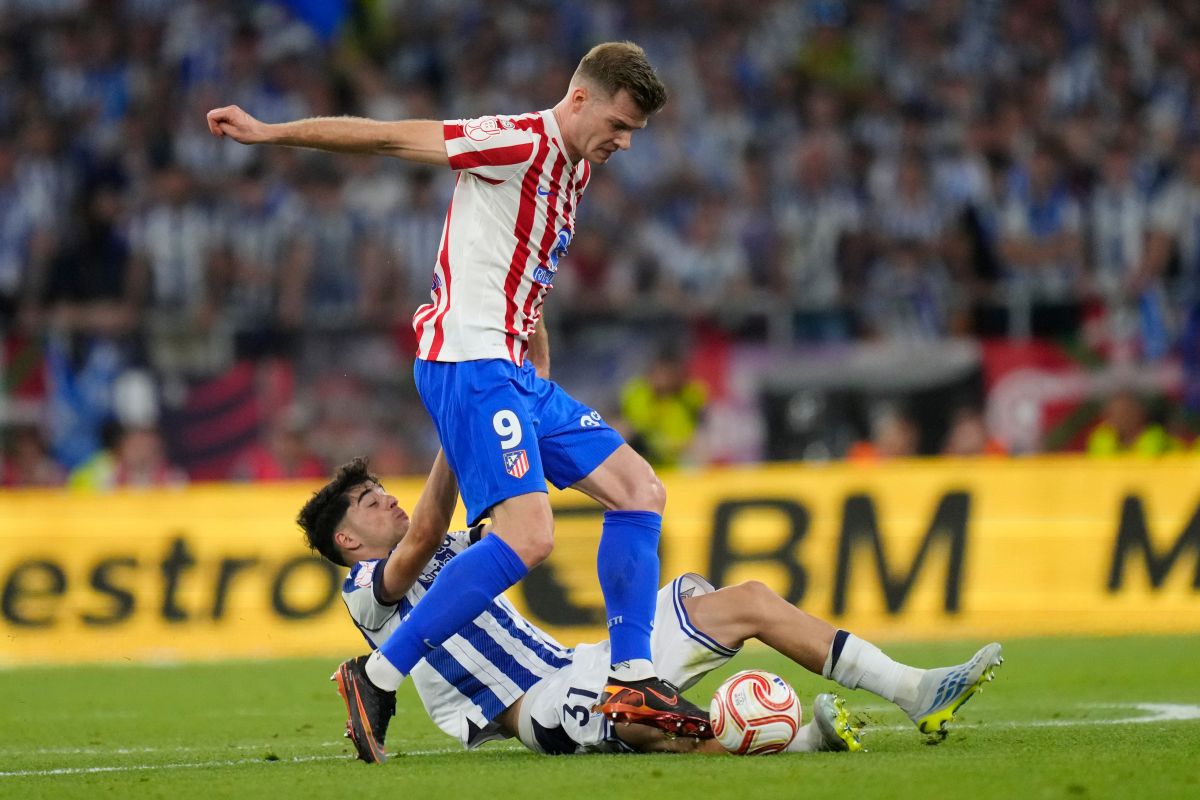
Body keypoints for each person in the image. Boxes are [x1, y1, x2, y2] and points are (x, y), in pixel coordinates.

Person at [208, 42, 711, 737]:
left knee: (640, 491)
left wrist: (535, 336)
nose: (623, 143)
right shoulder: (513, 140)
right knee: (529, 537)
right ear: (580, 100)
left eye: (633, 133)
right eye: (619, 126)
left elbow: (522, 259)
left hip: (509, 364)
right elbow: (388, 138)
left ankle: (632, 681)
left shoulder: (576, 168)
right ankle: (377, 676)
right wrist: (271, 132)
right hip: (467, 359)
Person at [297, 457, 1003, 762]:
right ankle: (804, 742)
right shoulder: (365, 592)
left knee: (747, 599)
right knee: (646, 721)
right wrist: (460, 406)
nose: (388, 498)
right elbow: (421, 533)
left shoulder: (453, 545)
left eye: (384, 488)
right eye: (369, 501)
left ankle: (915, 691)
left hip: (581, 664)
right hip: (534, 708)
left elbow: (499, 488)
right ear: (348, 539)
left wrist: (509, 360)